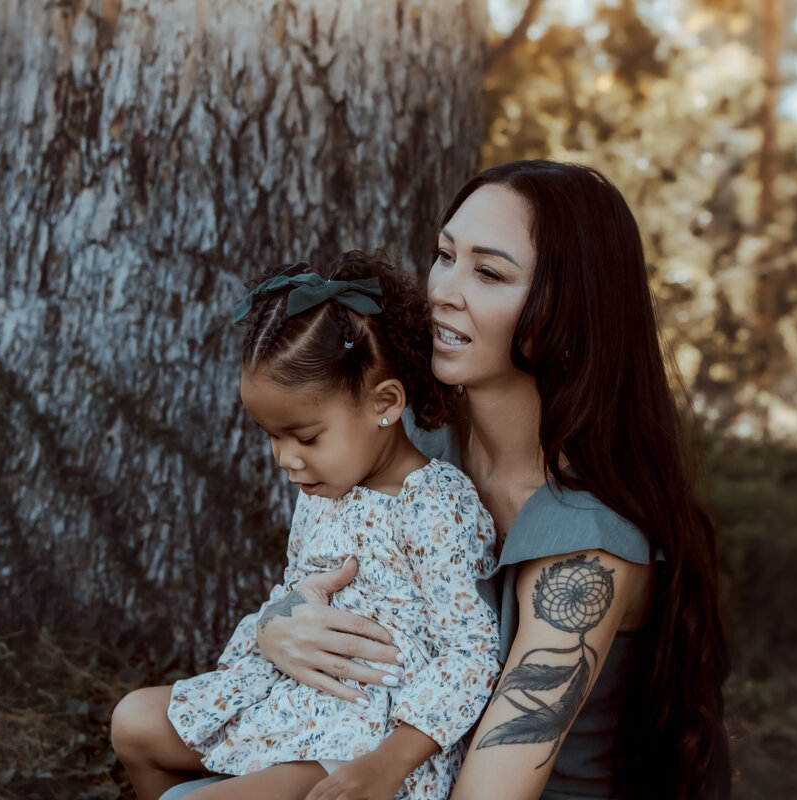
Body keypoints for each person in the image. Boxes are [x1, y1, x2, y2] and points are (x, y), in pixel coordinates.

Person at [254, 161, 732, 799]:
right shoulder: (415, 451)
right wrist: (279, 626)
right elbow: (312, 584)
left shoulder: (586, 545)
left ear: (569, 309)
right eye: (444, 255)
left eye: (488, 272)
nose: (444, 290)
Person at [110, 251, 502, 800]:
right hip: (296, 695)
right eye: (271, 435)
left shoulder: (436, 505)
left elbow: (472, 654)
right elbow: (296, 589)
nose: (285, 459)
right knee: (133, 721)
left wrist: (389, 762)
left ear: (385, 403)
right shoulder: (325, 489)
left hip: (367, 737)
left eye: (306, 437)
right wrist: (281, 618)